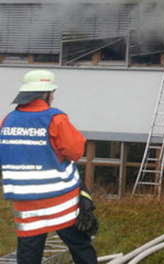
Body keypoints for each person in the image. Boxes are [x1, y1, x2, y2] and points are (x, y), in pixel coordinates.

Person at [0, 70, 98, 264]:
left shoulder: (7, 121)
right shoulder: (55, 118)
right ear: (44, 94)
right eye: (51, 92)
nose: (53, 96)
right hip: (62, 202)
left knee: (28, 255)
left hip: (27, 205)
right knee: (80, 246)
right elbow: (76, 152)